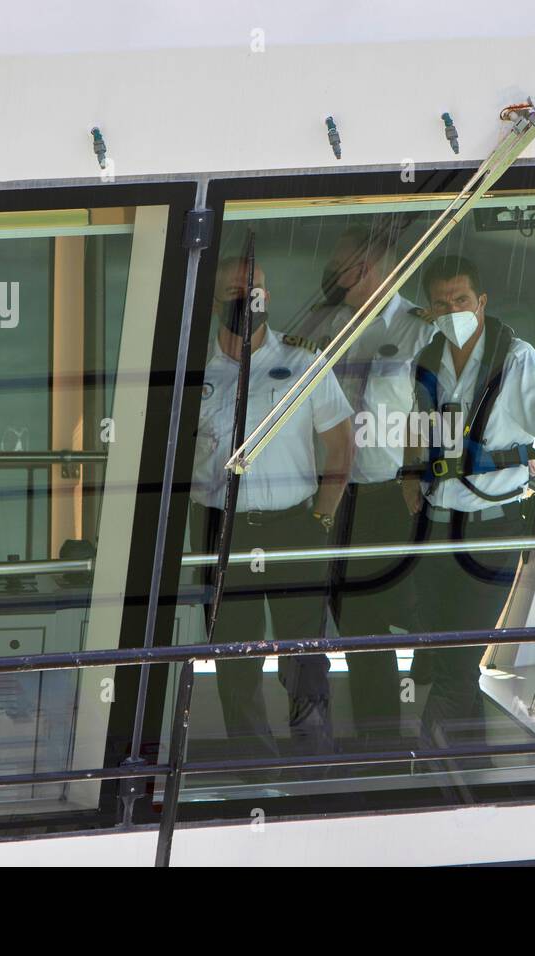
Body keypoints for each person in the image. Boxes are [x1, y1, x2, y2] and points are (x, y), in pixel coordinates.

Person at [400, 254, 535, 748]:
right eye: (442, 302)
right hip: (435, 523)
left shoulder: (516, 359)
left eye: (462, 300)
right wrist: (409, 473)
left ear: (482, 302)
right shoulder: (429, 358)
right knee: (436, 641)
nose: (452, 309)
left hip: (490, 529)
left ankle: (425, 755)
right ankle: (473, 761)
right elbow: (420, 422)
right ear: (430, 310)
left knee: (456, 655)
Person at [189, 255, 354, 759]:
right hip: (221, 529)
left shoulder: (305, 362)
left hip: (293, 524)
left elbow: (342, 445)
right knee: (233, 653)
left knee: (304, 653)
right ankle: (250, 765)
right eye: (237, 289)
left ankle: (311, 758)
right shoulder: (191, 368)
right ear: (216, 297)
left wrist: (322, 516)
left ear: (269, 295)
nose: (247, 297)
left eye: (255, 287)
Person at [300, 224, 437, 749]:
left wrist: (414, 477)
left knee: (374, 621)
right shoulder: (326, 327)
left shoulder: (417, 330)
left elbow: (431, 411)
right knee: (327, 613)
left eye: (340, 268)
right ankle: (319, 731)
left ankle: (381, 739)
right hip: (326, 492)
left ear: (369, 270)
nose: (330, 277)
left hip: (384, 495)